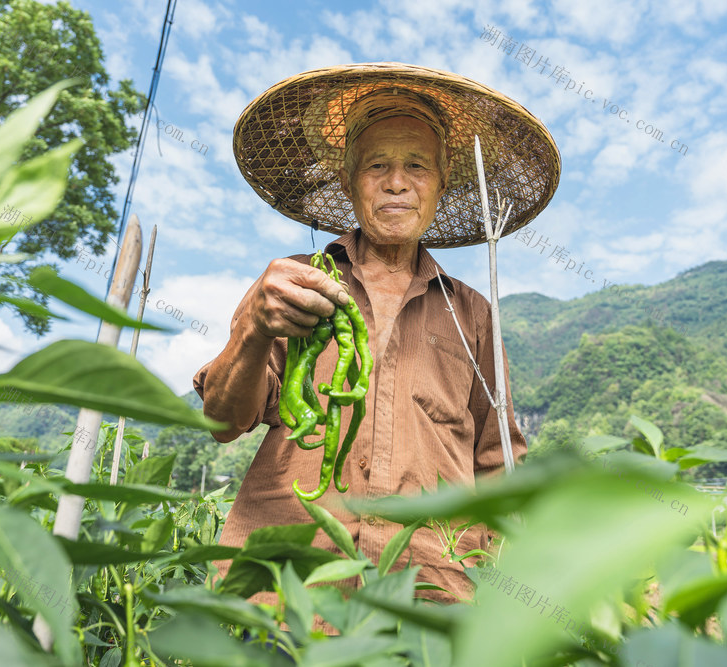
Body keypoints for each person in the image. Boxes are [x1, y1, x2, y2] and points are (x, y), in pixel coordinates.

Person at [193, 63, 560, 632]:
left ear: (441, 184)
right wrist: (254, 328)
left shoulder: (473, 316)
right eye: (376, 166)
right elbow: (220, 420)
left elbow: (499, 465)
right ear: (349, 183)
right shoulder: (293, 283)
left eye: (417, 166)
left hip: (430, 601)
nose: (396, 182)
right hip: (281, 597)